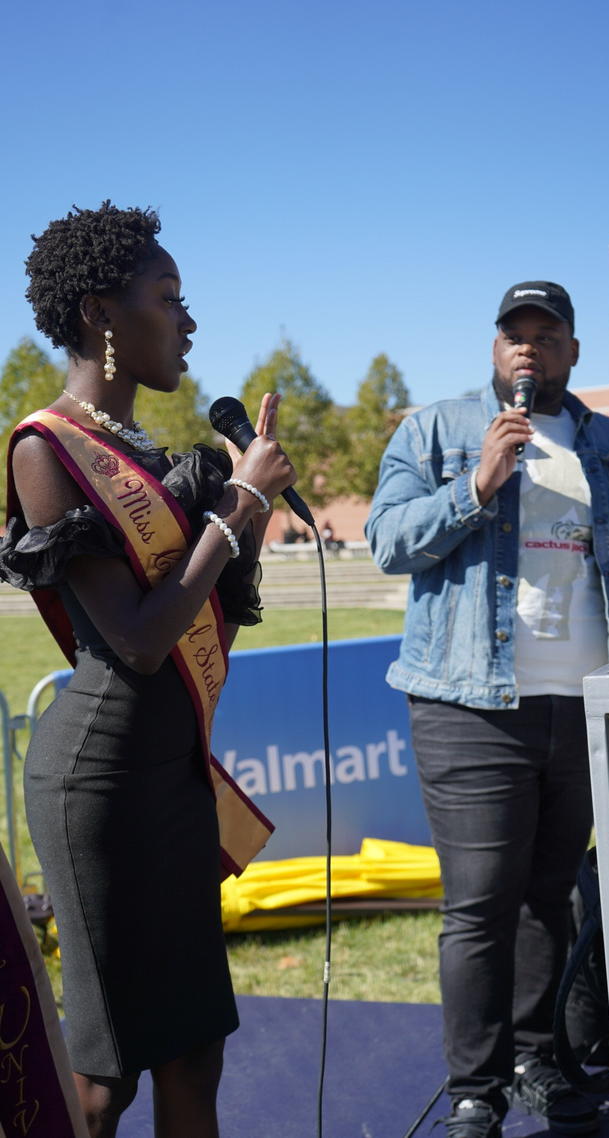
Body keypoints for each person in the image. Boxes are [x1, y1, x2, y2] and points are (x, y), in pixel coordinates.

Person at [0, 202, 296, 1138]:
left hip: (169, 778)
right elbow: (133, 641)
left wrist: (242, 520)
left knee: (195, 1052)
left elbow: (206, 630)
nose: (189, 321)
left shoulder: (157, 459)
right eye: (168, 299)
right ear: (101, 314)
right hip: (97, 782)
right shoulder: (46, 449)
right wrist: (231, 509)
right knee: (105, 1077)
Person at [366, 281, 609, 1138]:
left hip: (584, 703)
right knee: (481, 901)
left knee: (550, 894)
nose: (528, 348)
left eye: (545, 334)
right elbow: (386, 540)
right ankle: (474, 1091)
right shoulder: (439, 431)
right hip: (472, 706)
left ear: (572, 352)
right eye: (513, 335)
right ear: (494, 351)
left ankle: (537, 1062)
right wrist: (476, 486)